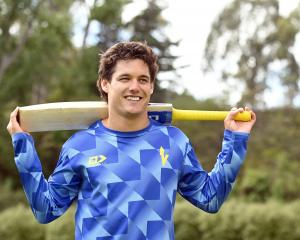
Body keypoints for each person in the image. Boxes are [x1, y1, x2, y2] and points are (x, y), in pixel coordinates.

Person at [7, 41, 256, 240]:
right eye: (125, 78)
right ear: (105, 84)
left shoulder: (174, 142)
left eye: (143, 79)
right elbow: (45, 210)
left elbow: (210, 199)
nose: (135, 87)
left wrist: (236, 139)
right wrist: (23, 146)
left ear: (151, 87)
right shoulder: (79, 146)